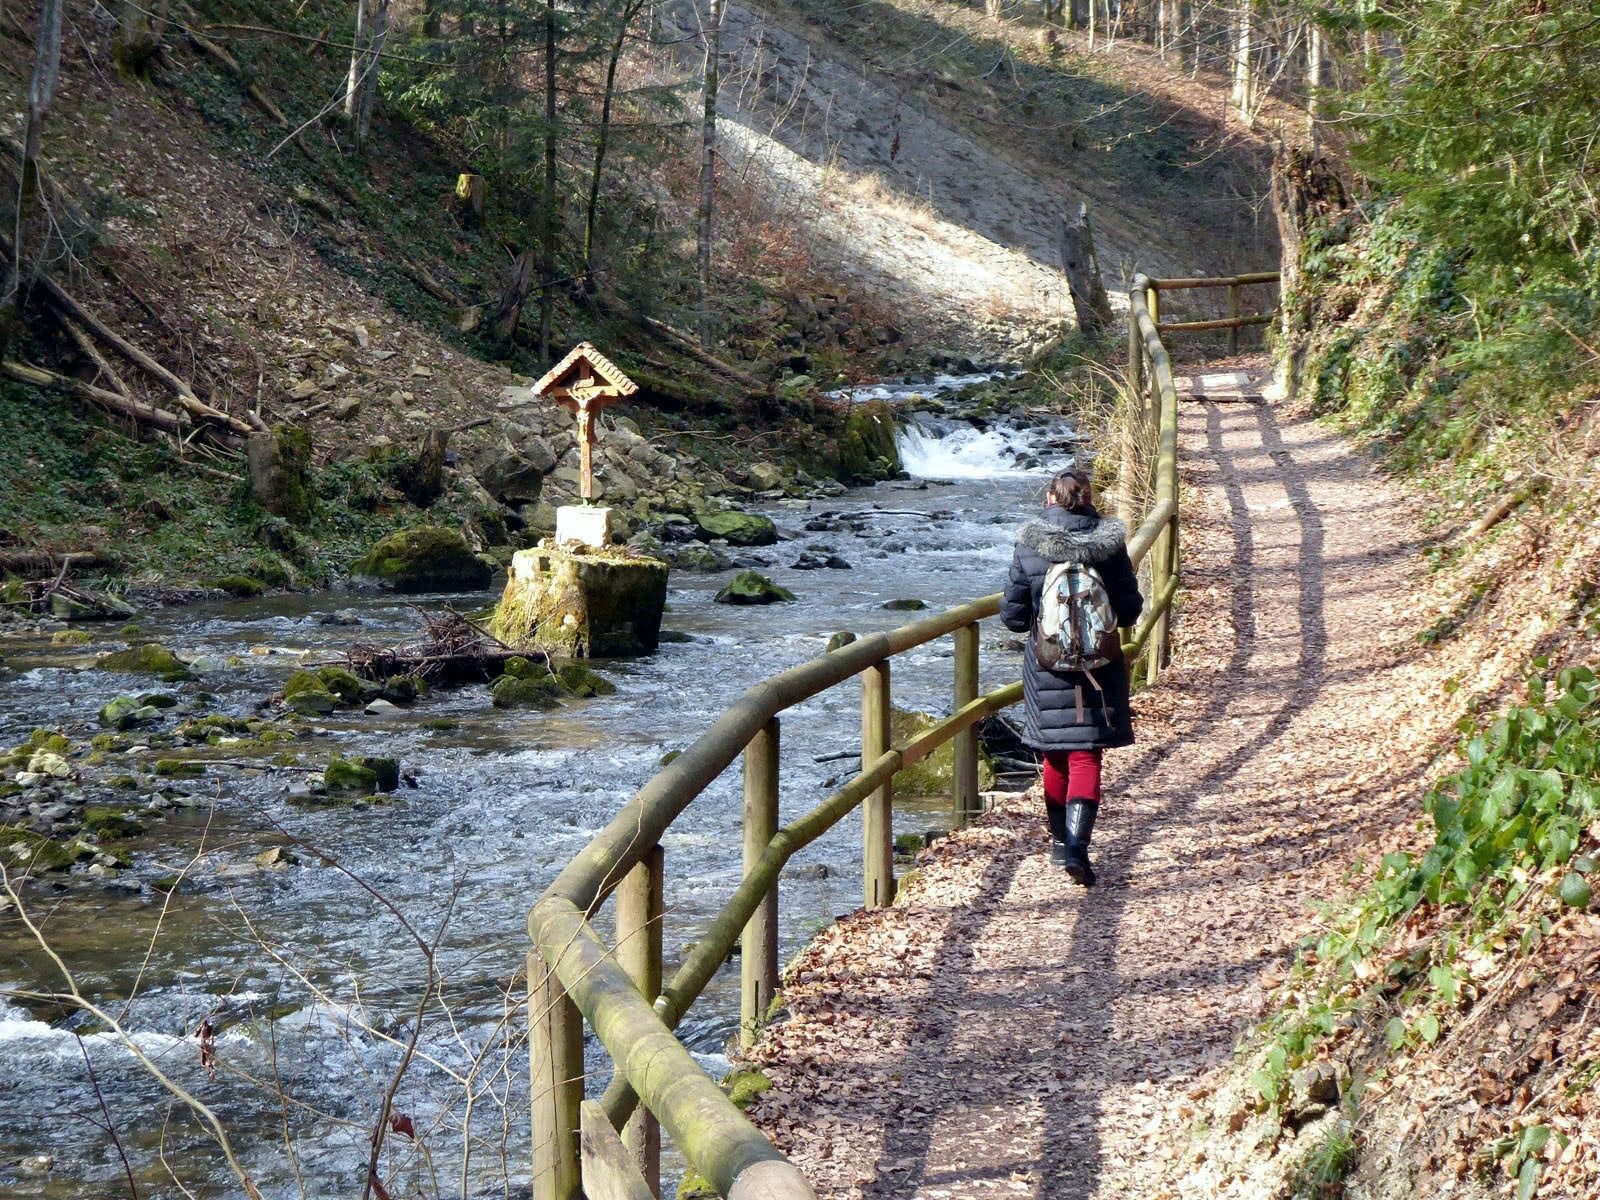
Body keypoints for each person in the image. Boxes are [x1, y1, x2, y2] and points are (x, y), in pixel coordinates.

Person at [1000, 468, 1142, 886]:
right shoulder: (1110, 543)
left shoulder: (1030, 543)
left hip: (1047, 665)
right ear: (1089, 498)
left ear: (1050, 499)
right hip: (1099, 666)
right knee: (1086, 755)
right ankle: (1079, 848)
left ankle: (1060, 843)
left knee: (1054, 753)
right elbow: (1130, 610)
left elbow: (1013, 616)